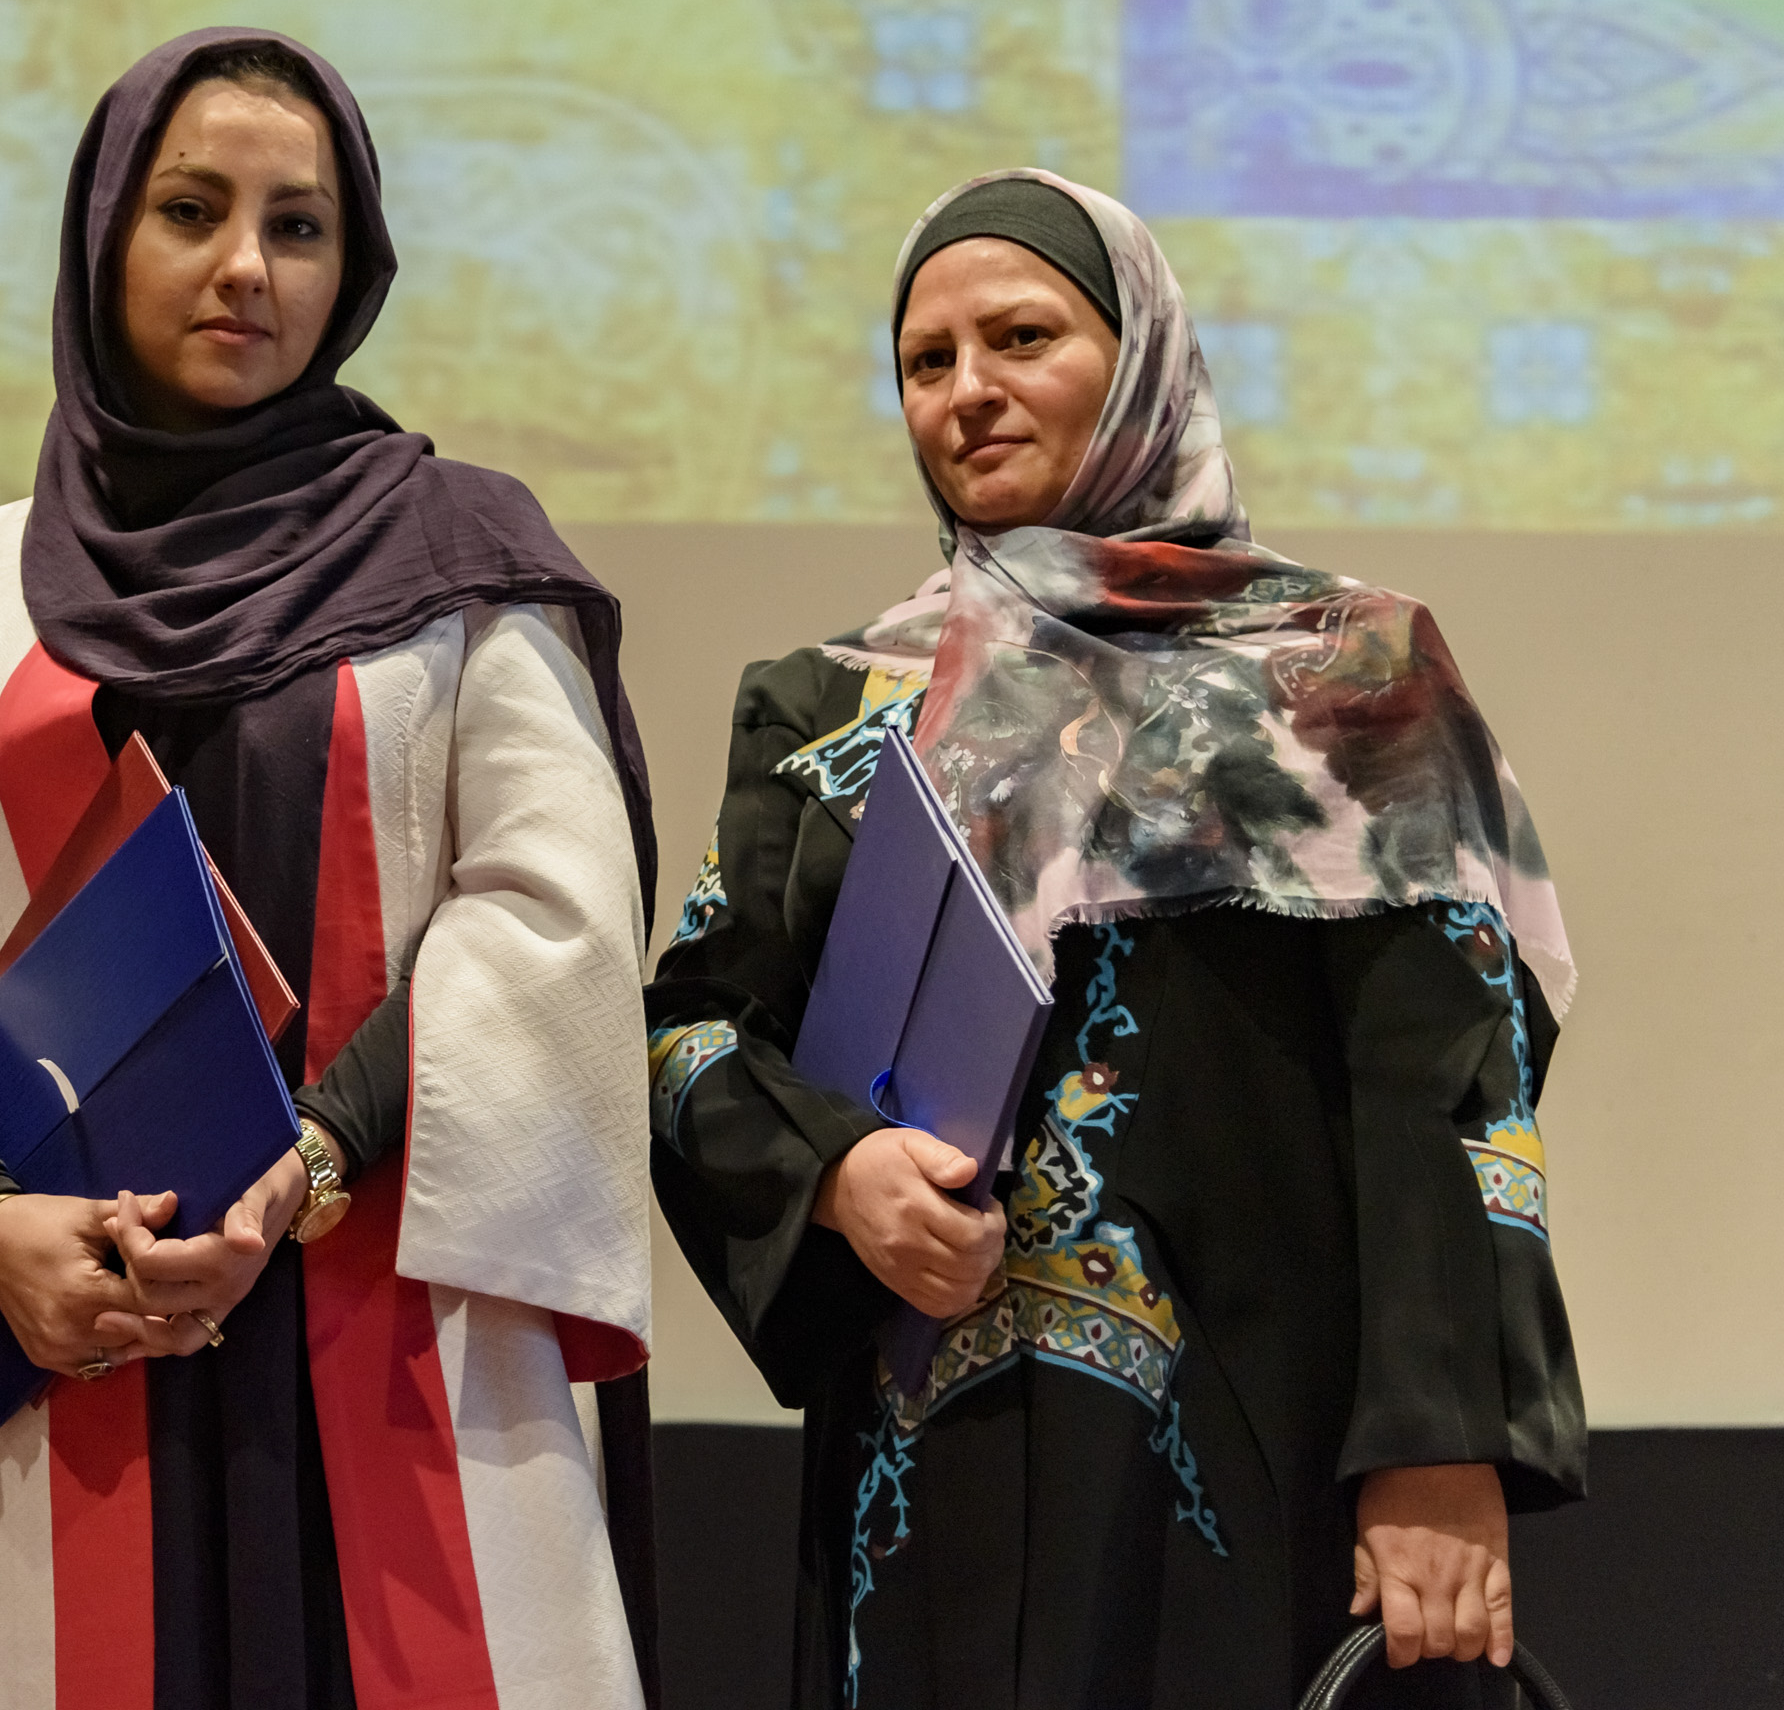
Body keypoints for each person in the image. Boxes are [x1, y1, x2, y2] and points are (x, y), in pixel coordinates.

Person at [0, 28, 661, 1708]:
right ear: (105, 237)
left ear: (354, 266)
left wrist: (308, 1165)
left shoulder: (468, 561)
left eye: (297, 226)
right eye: (191, 211)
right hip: (55, 1324)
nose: (246, 266)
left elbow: (553, 913)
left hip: (388, 1290)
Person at [645, 170, 1584, 1707]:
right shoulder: (829, 704)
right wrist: (834, 1176)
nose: (968, 389)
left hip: (1261, 1445)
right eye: (927, 360)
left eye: (1022, 337)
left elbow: (1451, 1083)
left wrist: (1444, 1444)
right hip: (929, 1468)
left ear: (1142, 354)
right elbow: (689, 1031)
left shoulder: (1346, 673)